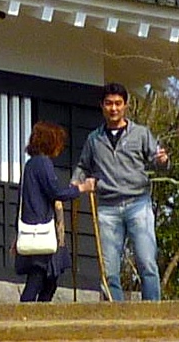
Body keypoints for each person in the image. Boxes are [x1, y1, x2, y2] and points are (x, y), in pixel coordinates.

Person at [76, 83, 170, 301]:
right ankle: (115, 316)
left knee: (147, 262)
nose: (114, 108)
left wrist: (163, 161)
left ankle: (152, 312)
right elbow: (83, 166)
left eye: (118, 103)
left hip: (138, 203)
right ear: (102, 106)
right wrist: (76, 185)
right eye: (109, 103)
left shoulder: (141, 133)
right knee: (108, 270)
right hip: (107, 207)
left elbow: (158, 160)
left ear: (126, 105)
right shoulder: (94, 139)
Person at [14, 120, 91, 303]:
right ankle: (26, 316)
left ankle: (36, 314)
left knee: (48, 279)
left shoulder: (31, 165)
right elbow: (54, 192)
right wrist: (80, 189)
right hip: (43, 227)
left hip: (31, 225)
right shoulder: (43, 163)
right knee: (40, 276)